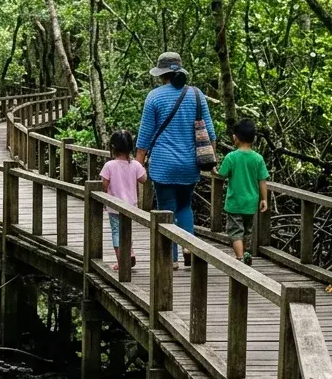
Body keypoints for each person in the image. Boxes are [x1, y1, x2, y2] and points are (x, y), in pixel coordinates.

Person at [136, 51, 215, 267]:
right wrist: (210, 161)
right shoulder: (197, 95)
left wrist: (138, 163)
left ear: (162, 74)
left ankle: (171, 259)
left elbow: (145, 135)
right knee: (184, 206)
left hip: (163, 165)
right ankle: (188, 246)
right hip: (190, 165)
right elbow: (209, 133)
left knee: (166, 209)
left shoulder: (154, 96)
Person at [218, 118, 269, 266]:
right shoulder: (258, 158)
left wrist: (214, 170)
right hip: (251, 202)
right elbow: (262, 180)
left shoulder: (231, 157)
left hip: (235, 201)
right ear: (254, 139)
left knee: (235, 231)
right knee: (246, 231)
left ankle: (240, 258)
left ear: (235, 138)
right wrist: (264, 199)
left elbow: (222, 174)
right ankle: (244, 253)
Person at [100, 131, 147, 271]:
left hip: (114, 206)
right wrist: (142, 167)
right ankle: (130, 253)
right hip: (131, 206)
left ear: (113, 147)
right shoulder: (135, 165)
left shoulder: (109, 165)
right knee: (127, 230)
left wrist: (103, 200)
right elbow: (144, 180)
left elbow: (103, 184)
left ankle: (122, 261)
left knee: (116, 232)